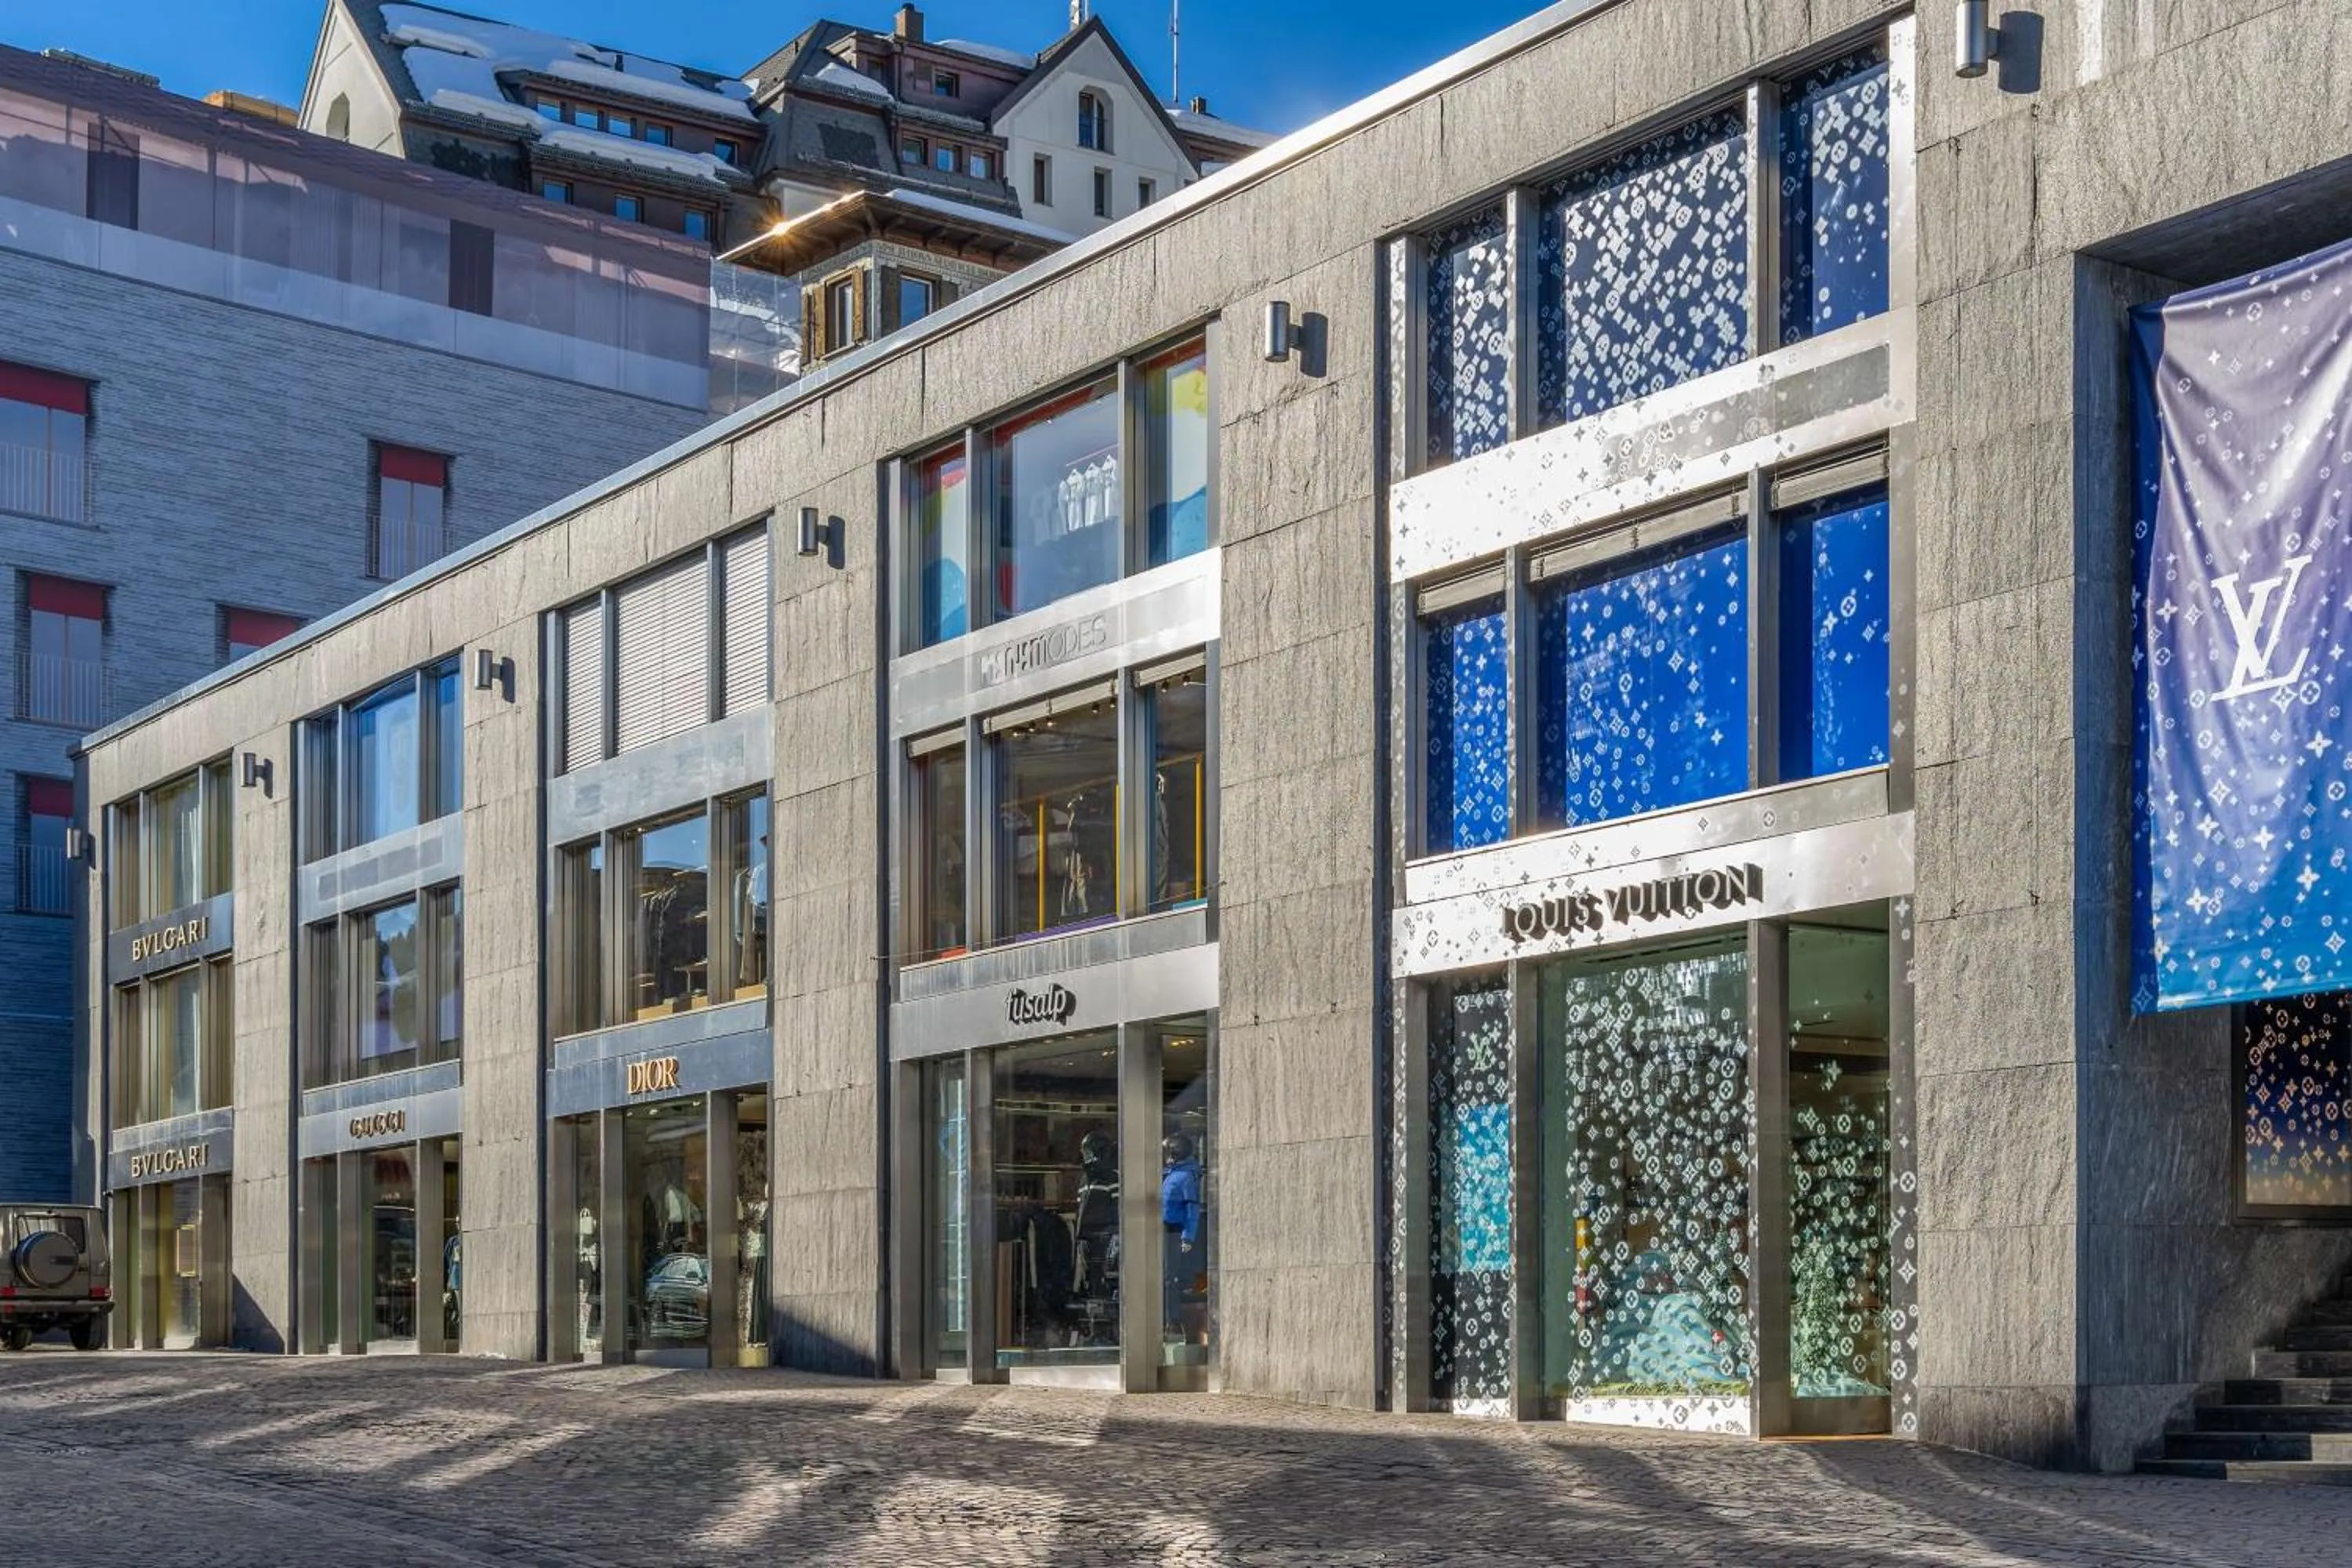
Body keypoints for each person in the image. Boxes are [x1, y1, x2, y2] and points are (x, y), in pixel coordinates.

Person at [1160, 1133, 1204, 1340]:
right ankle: (1170, 1320)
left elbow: (1192, 1208)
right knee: (1168, 1278)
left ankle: (1174, 1322)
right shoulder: (1172, 1174)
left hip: (1175, 1232)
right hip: (1167, 1231)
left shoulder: (1186, 1177)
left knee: (1173, 1279)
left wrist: (1188, 1237)